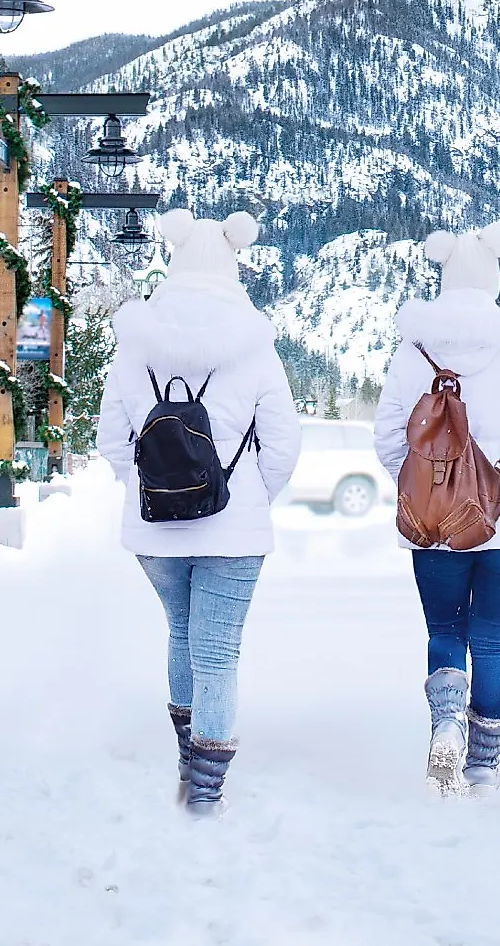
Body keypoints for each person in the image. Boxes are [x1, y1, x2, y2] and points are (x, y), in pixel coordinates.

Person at [102, 209, 299, 817]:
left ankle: (187, 758)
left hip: (154, 531)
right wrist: (248, 499)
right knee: (217, 651)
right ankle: (205, 790)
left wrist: (153, 486)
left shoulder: (133, 351)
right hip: (235, 534)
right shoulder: (257, 351)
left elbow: (112, 443)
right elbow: (283, 446)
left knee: (181, 634)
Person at [375, 219, 500, 796]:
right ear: (494, 277)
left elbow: (388, 441)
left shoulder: (413, 353)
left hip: (432, 527)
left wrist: (433, 486)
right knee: (492, 640)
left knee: (445, 631)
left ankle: (448, 724)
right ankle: (482, 767)